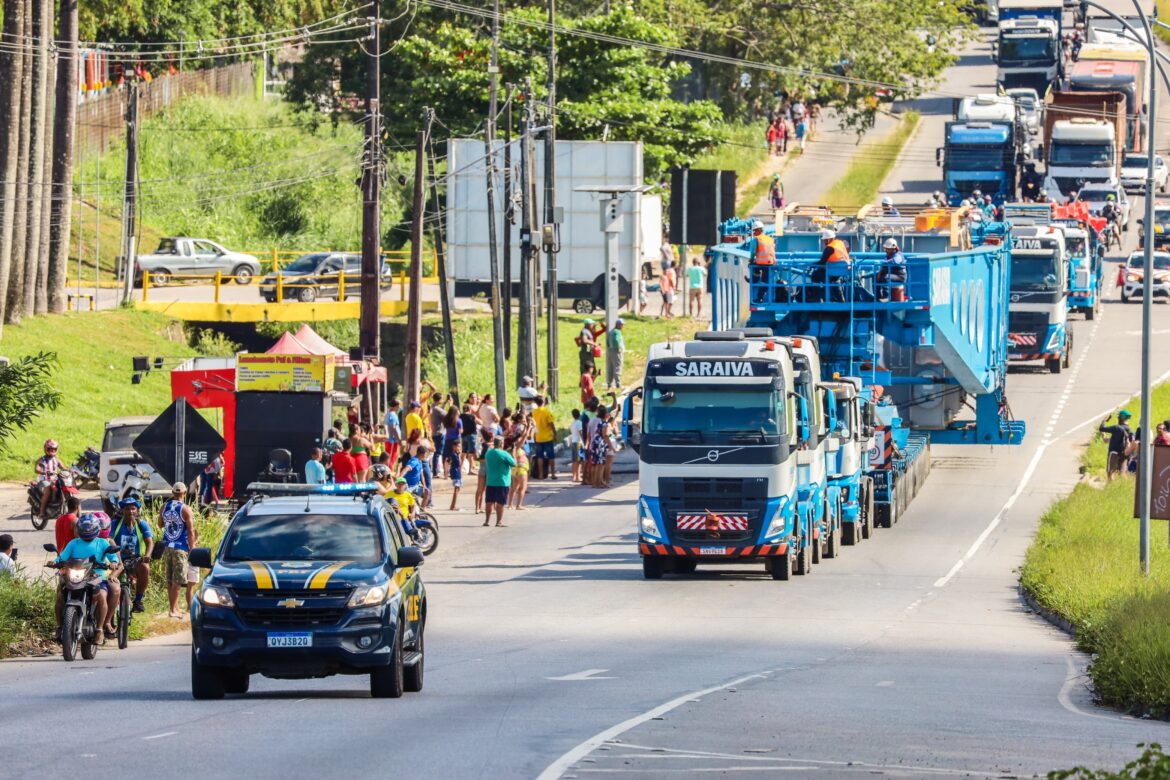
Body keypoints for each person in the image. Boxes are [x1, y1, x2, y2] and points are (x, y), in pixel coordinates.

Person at [55, 514, 119, 643]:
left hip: (96, 577)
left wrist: (113, 563)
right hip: (75, 575)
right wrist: (55, 562)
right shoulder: (73, 543)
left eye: (90, 528)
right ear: (79, 528)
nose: (87, 530)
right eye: (84, 528)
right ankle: (60, 627)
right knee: (60, 594)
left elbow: (113, 557)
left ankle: (100, 630)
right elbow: (62, 557)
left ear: (96, 529)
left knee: (101, 595)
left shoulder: (102, 542)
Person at [160, 483, 197, 619]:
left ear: (172, 492)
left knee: (170, 579)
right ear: (185, 492)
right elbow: (191, 530)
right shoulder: (185, 509)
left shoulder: (164, 507)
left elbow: (160, 524)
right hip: (180, 547)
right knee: (178, 580)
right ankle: (172, 610)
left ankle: (174, 607)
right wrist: (192, 549)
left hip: (168, 545)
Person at [111, 497, 154, 613]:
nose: (130, 511)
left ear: (137, 511)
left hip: (135, 560)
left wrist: (147, 556)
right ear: (122, 511)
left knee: (145, 568)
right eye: (127, 509)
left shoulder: (142, 524)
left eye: (133, 509)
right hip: (117, 559)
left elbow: (149, 542)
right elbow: (108, 539)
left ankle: (138, 600)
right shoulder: (115, 524)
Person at [483, 436, 516, 527]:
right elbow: (513, 463)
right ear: (501, 443)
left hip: (490, 481)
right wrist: (512, 452)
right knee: (500, 502)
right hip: (502, 481)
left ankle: (487, 521)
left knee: (489, 502)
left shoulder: (488, 453)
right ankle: (498, 522)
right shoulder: (504, 454)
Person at [812, 229, 851, 302]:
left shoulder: (829, 248)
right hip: (844, 269)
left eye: (825, 240)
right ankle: (841, 299)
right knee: (835, 280)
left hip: (832, 271)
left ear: (829, 239)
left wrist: (812, 265)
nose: (824, 242)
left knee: (815, 276)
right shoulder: (840, 243)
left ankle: (818, 297)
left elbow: (822, 262)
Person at [1100, 411, 1135, 481]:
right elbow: (1131, 440)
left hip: (1114, 452)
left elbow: (1101, 428)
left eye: (1118, 417)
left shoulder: (1116, 428)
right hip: (1124, 453)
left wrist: (1104, 420)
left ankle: (1110, 487)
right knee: (1122, 473)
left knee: (1110, 472)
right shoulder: (1129, 429)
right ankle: (1124, 486)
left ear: (1120, 418)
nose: (1118, 418)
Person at [34, 438, 62, 520]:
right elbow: (36, 469)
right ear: (46, 449)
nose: (52, 450)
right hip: (44, 481)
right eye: (50, 449)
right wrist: (43, 472)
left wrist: (71, 470)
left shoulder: (56, 460)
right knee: (48, 488)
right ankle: (42, 512)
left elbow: (64, 468)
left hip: (55, 481)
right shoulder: (41, 459)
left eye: (54, 449)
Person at [531, 395, 557, 480]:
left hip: (538, 437)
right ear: (544, 402)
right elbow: (551, 424)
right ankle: (552, 474)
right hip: (548, 437)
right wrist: (555, 433)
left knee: (539, 456)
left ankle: (541, 474)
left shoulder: (534, 412)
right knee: (551, 456)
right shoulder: (546, 411)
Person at [508, 434, 530, 510]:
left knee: (514, 488)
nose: (521, 441)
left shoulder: (513, 449)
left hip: (515, 470)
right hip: (521, 470)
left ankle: (510, 505)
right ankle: (519, 505)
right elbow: (523, 439)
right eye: (519, 439)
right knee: (523, 487)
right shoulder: (516, 448)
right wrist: (528, 429)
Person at [459, 403, 479, 476]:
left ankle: (460, 468)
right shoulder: (472, 416)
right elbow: (480, 422)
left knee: (463, 452)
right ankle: (470, 470)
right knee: (471, 453)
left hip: (463, 436)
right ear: (470, 409)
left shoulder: (460, 416)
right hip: (471, 435)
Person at [383, 399, 404, 467]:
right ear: (395, 406)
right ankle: (389, 474)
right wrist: (398, 440)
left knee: (388, 457)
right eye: (398, 406)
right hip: (392, 440)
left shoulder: (387, 414)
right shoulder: (393, 415)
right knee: (391, 458)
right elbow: (394, 428)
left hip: (388, 440)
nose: (399, 407)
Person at [606, 319, 626, 389]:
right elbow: (617, 340)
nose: (622, 326)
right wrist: (618, 348)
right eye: (622, 324)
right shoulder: (617, 332)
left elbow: (607, 341)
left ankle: (609, 384)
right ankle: (618, 384)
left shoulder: (611, 331)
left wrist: (609, 347)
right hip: (616, 351)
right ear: (618, 324)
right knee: (618, 366)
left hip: (610, 350)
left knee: (610, 366)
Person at [446, 439, 463, 510]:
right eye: (458, 446)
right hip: (456, 473)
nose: (459, 448)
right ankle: (453, 506)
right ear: (454, 447)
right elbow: (459, 463)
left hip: (456, 472)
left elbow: (448, 461)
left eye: (460, 446)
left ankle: (453, 505)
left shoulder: (454, 454)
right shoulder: (455, 454)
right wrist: (459, 456)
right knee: (456, 489)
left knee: (457, 489)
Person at [569, 409, 584, 484]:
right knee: (579, 461)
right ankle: (578, 477)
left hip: (573, 442)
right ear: (579, 414)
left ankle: (574, 476)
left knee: (574, 460)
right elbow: (581, 432)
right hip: (579, 442)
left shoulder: (572, 423)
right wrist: (584, 441)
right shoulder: (579, 423)